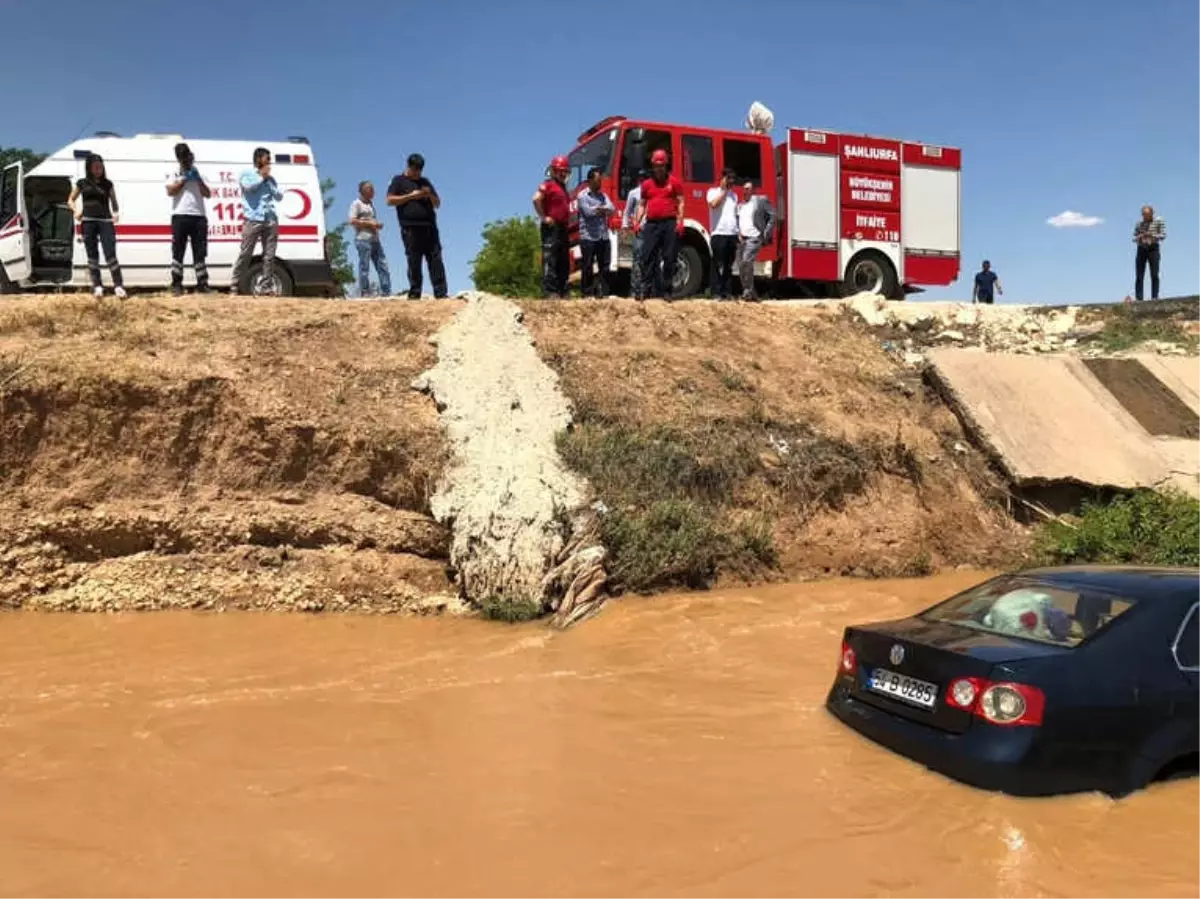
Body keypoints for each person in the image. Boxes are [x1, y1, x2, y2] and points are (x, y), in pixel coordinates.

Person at [386, 154, 448, 300]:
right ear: (409, 167)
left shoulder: (425, 182)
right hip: (411, 228)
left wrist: (429, 195)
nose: (417, 173)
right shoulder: (398, 180)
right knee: (414, 260)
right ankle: (415, 293)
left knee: (435, 259)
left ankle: (440, 292)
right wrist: (411, 196)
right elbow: (389, 200)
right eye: (415, 170)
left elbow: (437, 204)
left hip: (430, 227)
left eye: (420, 171)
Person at [68, 154, 126, 299]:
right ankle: (98, 286)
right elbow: (70, 199)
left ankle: (118, 285)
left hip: (105, 221)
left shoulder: (108, 184)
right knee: (92, 255)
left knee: (110, 253)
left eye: (100, 167)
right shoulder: (82, 183)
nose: (98, 169)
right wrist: (76, 211)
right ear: (89, 168)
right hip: (88, 221)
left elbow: (114, 201)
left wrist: (116, 213)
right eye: (95, 167)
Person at [230, 147, 283, 295]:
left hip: (270, 219)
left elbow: (279, 196)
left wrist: (269, 181)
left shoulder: (271, 179)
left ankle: (266, 286)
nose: (269, 162)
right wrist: (261, 177)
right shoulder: (247, 174)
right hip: (253, 219)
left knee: (269, 255)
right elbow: (249, 188)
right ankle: (235, 284)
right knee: (246, 253)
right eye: (267, 158)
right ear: (258, 159)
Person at [634, 149, 684, 300]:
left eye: (661, 165)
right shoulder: (647, 185)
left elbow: (681, 201)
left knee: (669, 257)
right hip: (652, 224)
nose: (659, 168)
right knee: (647, 256)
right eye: (656, 165)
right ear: (653, 166)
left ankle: (667, 291)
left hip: (669, 223)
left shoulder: (674, 182)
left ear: (666, 165)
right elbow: (642, 204)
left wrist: (680, 221)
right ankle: (645, 289)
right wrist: (637, 221)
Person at [165, 142, 212, 296]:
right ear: (178, 160)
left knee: (200, 251)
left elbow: (207, 193)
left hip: (198, 216)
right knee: (178, 251)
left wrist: (197, 179)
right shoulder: (174, 173)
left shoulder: (198, 172)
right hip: (180, 215)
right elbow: (170, 191)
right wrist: (184, 179)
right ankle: (177, 284)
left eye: (188, 157)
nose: (186, 161)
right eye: (182, 159)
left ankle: (202, 284)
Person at [532, 155, 572, 298]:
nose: (563, 174)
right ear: (554, 171)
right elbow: (536, 198)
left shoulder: (563, 189)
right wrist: (544, 217)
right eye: (561, 171)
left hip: (563, 227)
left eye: (565, 171)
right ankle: (550, 291)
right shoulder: (548, 185)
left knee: (564, 259)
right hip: (551, 227)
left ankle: (563, 290)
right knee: (551, 258)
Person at [348, 181, 392, 298]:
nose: (373, 191)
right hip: (363, 239)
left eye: (373, 189)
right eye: (370, 189)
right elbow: (352, 221)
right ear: (363, 190)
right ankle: (365, 291)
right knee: (364, 266)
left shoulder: (371, 205)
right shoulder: (356, 204)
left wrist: (376, 225)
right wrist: (370, 224)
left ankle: (386, 291)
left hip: (375, 239)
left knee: (382, 265)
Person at [576, 167, 615, 298]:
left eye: (601, 180)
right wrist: (601, 209)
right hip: (588, 236)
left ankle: (604, 293)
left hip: (603, 236)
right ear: (590, 180)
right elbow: (588, 213)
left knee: (605, 265)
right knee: (587, 266)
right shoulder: (582, 196)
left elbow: (612, 209)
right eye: (598, 180)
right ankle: (587, 293)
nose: (600, 183)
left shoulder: (603, 196)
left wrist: (600, 209)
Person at [736, 181, 775, 301]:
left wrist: (766, 232)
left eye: (748, 189)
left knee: (747, 261)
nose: (745, 191)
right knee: (741, 265)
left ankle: (747, 292)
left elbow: (773, 215)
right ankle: (749, 291)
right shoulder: (740, 205)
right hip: (742, 239)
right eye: (744, 189)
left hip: (754, 237)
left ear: (753, 190)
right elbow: (738, 220)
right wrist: (738, 233)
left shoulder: (760, 201)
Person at [707, 168, 740, 300]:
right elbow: (713, 204)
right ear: (722, 179)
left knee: (728, 264)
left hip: (731, 233)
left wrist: (738, 232)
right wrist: (724, 191)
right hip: (718, 232)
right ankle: (715, 291)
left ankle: (726, 292)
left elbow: (735, 215)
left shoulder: (735, 196)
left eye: (732, 179)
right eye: (728, 178)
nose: (730, 182)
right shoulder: (712, 192)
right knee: (717, 263)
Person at [622, 183, 656, 299]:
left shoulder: (655, 191)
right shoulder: (634, 193)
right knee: (637, 260)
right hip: (640, 230)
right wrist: (625, 226)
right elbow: (627, 211)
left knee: (652, 260)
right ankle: (634, 291)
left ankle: (649, 291)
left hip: (653, 230)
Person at [1133, 205, 1166, 302]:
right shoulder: (1139, 224)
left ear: (1152, 213)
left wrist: (1151, 235)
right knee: (1139, 275)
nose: (1145, 216)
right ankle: (1139, 299)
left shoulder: (1159, 221)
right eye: (1143, 214)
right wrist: (1140, 237)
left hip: (1153, 249)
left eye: (1146, 214)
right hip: (1141, 249)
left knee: (1154, 274)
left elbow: (1163, 235)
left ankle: (1154, 297)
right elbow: (1134, 237)